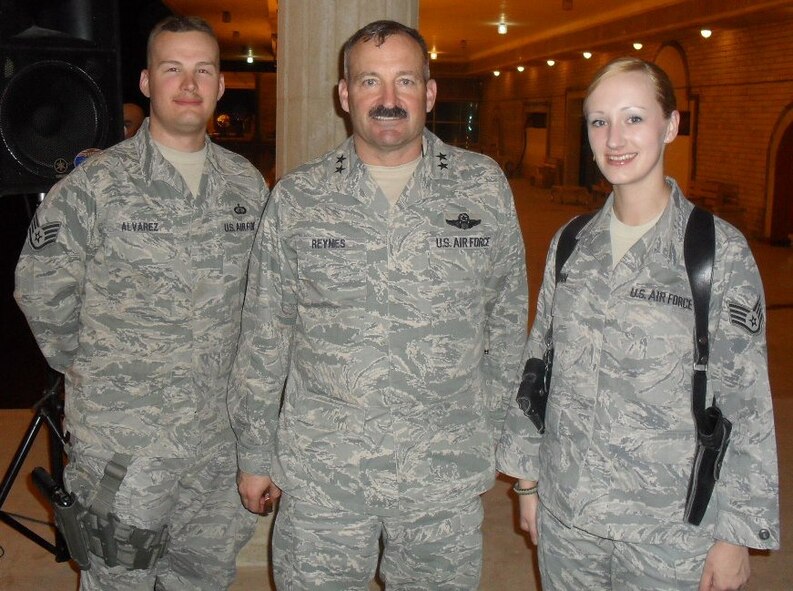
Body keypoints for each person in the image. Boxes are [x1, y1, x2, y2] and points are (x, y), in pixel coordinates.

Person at [230, 19, 528, 589]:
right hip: (325, 475)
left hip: (440, 474)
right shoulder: (299, 196)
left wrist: (488, 432)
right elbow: (265, 332)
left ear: (430, 92)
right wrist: (255, 451)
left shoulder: (482, 187)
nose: (388, 100)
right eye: (370, 82)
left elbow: (509, 322)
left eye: (405, 82)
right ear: (344, 96)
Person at [497, 57, 779, 591]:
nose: (614, 138)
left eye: (633, 118)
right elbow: (541, 363)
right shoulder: (571, 243)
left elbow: (747, 400)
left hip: (668, 532)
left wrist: (737, 533)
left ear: (670, 125)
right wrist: (527, 482)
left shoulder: (717, 252)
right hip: (568, 516)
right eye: (599, 121)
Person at [14, 15, 267, 590]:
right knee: (117, 578)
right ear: (147, 82)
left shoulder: (247, 186)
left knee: (203, 577)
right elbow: (41, 288)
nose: (189, 83)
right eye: (172, 68)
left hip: (216, 441)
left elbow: (261, 301)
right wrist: (95, 370)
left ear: (221, 85)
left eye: (203, 70)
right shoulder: (93, 187)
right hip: (124, 445)